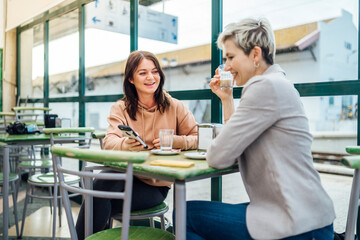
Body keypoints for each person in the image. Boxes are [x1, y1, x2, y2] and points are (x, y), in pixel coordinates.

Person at [185, 18, 335, 240]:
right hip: (308, 216)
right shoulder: (278, 82)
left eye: (230, 57)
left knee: (185, 215)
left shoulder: (264, 87)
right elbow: (235, 142)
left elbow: (218, 156)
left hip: (297, 223)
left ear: (255, 55)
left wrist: (217, 147)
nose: (225, 66)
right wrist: (227, 99)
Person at [76, 50, 198, 239]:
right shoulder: (121, 108)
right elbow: (109, 142)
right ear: (131, 79)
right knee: (103, 187)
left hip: (155, 185)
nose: (151, 77)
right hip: (124, 177)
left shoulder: (175, 106)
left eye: (155, 71)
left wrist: (177, 141)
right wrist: (126, 144)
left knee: (97, 196)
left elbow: (199, 138)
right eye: (143, 73)